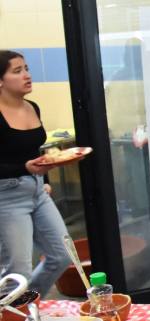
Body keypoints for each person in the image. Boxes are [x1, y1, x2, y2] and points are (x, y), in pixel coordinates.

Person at [0, 50, 72, 296]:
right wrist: (24, 168)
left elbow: (34, 152)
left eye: (27, 69)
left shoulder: (32, 107)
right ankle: (12, 311)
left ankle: (25, 303)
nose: (27, 76)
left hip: (37, 189)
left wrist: (44, 177)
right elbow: (22, 161)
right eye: (17, 71)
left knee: (62, 255)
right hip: (6, 197)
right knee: (17, 271)